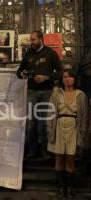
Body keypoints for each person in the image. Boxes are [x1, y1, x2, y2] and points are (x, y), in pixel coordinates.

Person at [16, 30, 63, 158]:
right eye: (31, 40)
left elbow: (60, 71)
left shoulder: (50, 53)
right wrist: (23, 74)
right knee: (30, 121)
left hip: (46, 90)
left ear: (41, 39)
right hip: (31, 90)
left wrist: (46, 77)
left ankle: (45, 149)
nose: (31, 42)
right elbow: (19, 71)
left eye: (34, 39)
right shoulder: (28, 54)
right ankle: (32, 150)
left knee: (44, 121)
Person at [47, 69, 89, 199]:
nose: (68, 79)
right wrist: (50, 130)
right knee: (59, 158)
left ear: (75, 79)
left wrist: (82, 134)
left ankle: (70, 188)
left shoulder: (81, 95)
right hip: (59, 127)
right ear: (62, 79)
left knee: (70, 159)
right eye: (65, 77)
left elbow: (85, 116)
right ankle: (60, 188)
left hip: (73, 128)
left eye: (70, 76)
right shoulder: (56, 94)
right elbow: (51, 113)